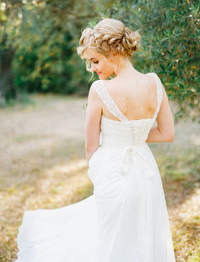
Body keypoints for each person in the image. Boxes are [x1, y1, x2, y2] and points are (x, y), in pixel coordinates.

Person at [15, 18, 176, 262]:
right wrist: (136, 136)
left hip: (112, 171)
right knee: (141, 231)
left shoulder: (100, 91)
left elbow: (91, 146)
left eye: (95, 61)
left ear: (113, 52)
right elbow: (167, 133)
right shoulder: (154, 83)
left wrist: (100, 171)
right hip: (146, 172)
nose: (93, 69)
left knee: (108, 234)